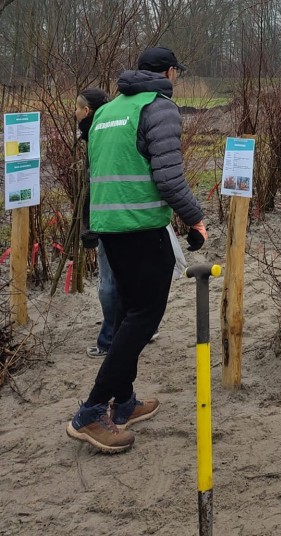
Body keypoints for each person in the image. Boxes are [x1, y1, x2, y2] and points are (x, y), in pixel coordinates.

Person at [67, 47, 207, 453]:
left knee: (129, 314)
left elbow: (99, 173)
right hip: (141, 228)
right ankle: (92, 411)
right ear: (168, 72)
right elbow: (168, 176)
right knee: (144, 317)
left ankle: (124, 402)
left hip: (111, 228)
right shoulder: (159, 107)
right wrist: (195, 220)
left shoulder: (108, 111)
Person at [76, 89, 160, 359]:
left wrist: (88, 226)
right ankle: (140, 328)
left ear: (87, 111)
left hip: (110, 220)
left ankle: (110, 340)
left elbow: (96, 186)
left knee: (110, 282)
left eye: (77, 109)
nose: (74, 113)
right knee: (133, 278)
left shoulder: (96, 135)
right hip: (133, 217)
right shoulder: (116, 127)